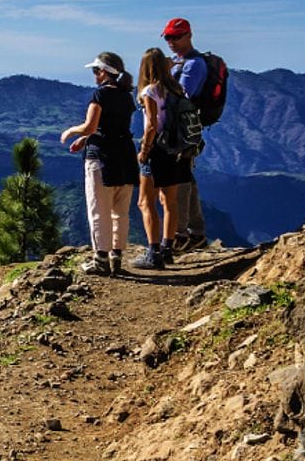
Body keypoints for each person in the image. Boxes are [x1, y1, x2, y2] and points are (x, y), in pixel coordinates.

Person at [60, 52, 139, 275]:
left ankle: (100, 260)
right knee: (120, 211)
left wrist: (72, 132)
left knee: (99, 209)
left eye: (96, 71)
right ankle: (116, 257)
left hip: (102, 157)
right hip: (125, 155)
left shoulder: (100, 95)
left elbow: (90, 126)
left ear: (104, 72)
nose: (94, 75)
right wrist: (86, 139)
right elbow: (114, 127)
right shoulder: (126, 96)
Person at [133, 46, 182, 270]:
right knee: (169, 201)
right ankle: (168, 249)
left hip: (156, 150)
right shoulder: (177, 89)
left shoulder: (150, 91)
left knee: (145, 202)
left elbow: (152, 124)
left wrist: (144, 150)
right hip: (174, 149)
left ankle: (153, 253)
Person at [162, 17, 208, 252]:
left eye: (175, 37)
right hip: (181, 131)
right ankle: (196, 233)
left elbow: (182, 95)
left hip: (182, 133)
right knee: (186, 179)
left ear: (189, 35)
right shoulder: (181, 63)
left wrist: (163, 77)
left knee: (178, 181)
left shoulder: (193, 65)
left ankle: (180, 235)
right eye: (168, 37)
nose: (171, 42)